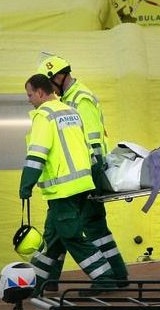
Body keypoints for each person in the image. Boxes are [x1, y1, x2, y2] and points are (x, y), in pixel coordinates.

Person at [19, 73, 117, 296]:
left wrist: (26, 185)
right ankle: (40, 281)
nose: (29, 99)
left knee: (71, 236)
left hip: (63, 190)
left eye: (30, 94)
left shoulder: (43, 116)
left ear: (41, 92)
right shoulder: (71, 111)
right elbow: (87, 147)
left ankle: (104, 277)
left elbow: (37, 154)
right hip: (82, 184)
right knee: (53, 236)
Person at [37, 53, 129, 288]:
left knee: (75, 227)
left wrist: (91, 174)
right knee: (89, 226)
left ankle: (108, 278)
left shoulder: (80, 99)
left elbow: (92, 141)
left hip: (86, 174)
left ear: (59, 76)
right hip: (84, 175)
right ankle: (116, 274)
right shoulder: (71, 98)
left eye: (50, 83)